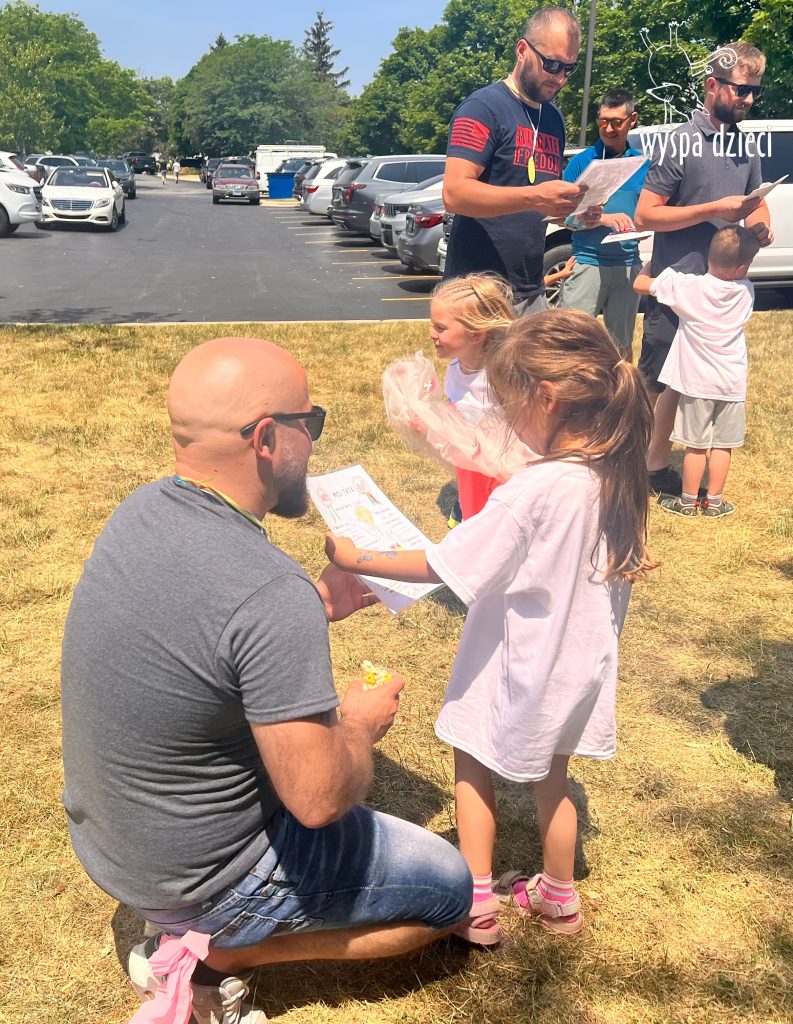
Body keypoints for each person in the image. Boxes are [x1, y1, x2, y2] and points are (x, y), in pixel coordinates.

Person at [60, 338, 472, 1024]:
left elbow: (196, 630)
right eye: (310, 423)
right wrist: (360, 724)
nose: (313, 442)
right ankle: (215, 955)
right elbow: (318, 800)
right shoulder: (266, 591)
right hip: (201, 877)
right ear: (267, 438)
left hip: (111, 846)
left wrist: (316, 602)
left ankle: (191, 927)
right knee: (449, 893)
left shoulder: (141, 509)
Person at [326, 308, 656, 944]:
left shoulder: (534, 490)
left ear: (547, 398)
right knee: (554, 777)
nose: (504, 421)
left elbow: (446, 564)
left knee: (472, 760)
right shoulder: (616, 474)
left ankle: (475, 901)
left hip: (517, 658)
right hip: (577, 665)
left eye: (509, 406)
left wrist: (356, 556)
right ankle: (559, 897)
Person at [634, 41, 772, 496]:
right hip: (676, 281)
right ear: (712, 85)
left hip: (719, 290)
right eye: (740, 89)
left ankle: (655, 466)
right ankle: (631, 462)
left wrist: (760, 223)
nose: (748, 99)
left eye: (754, 91)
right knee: (656, 381)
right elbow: (645, 215)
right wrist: (714, 209)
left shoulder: (745, 145)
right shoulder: (680, 142)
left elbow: (755, 203)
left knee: (687, 383)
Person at [442, 7, 600, 315]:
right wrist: (535, 197)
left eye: (569, 68)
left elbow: (539, 208)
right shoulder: (482, 108)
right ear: (522, 50)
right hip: (478, 294)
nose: (559, 77)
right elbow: (454, 194)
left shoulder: (553, 119)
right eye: (552, 64)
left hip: (530, 290)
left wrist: (574, 214)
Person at [634, 225, 759, 518]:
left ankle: (688, 501)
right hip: (731, 383)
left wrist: (654, 264)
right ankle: (715, 501)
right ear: (742, 267)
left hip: (697, 383)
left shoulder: (688, 287)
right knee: (723, 445)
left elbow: (640, 284)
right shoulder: (746, 291)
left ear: (708, 256)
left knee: (695, 446)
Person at [559, 89, 648, 360]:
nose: (608, 129)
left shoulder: (642, 164)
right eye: (603, 121)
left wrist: (643, 226)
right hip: (588, 262)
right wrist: (600, 219)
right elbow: (561, 215)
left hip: (627, 264)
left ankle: (618, 389)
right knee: (571, 344)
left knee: (621, 347)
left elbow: (649, 211)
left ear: (632, 120)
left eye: (616, 122)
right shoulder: (582, 162)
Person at [429, 273, 516, 523]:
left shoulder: (500, 376)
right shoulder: (456, 366)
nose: (431, 334)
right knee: (472, 518)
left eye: (440, 328)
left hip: (501, 475)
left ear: (476, 334)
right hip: (470, 468)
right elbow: (459, 407)